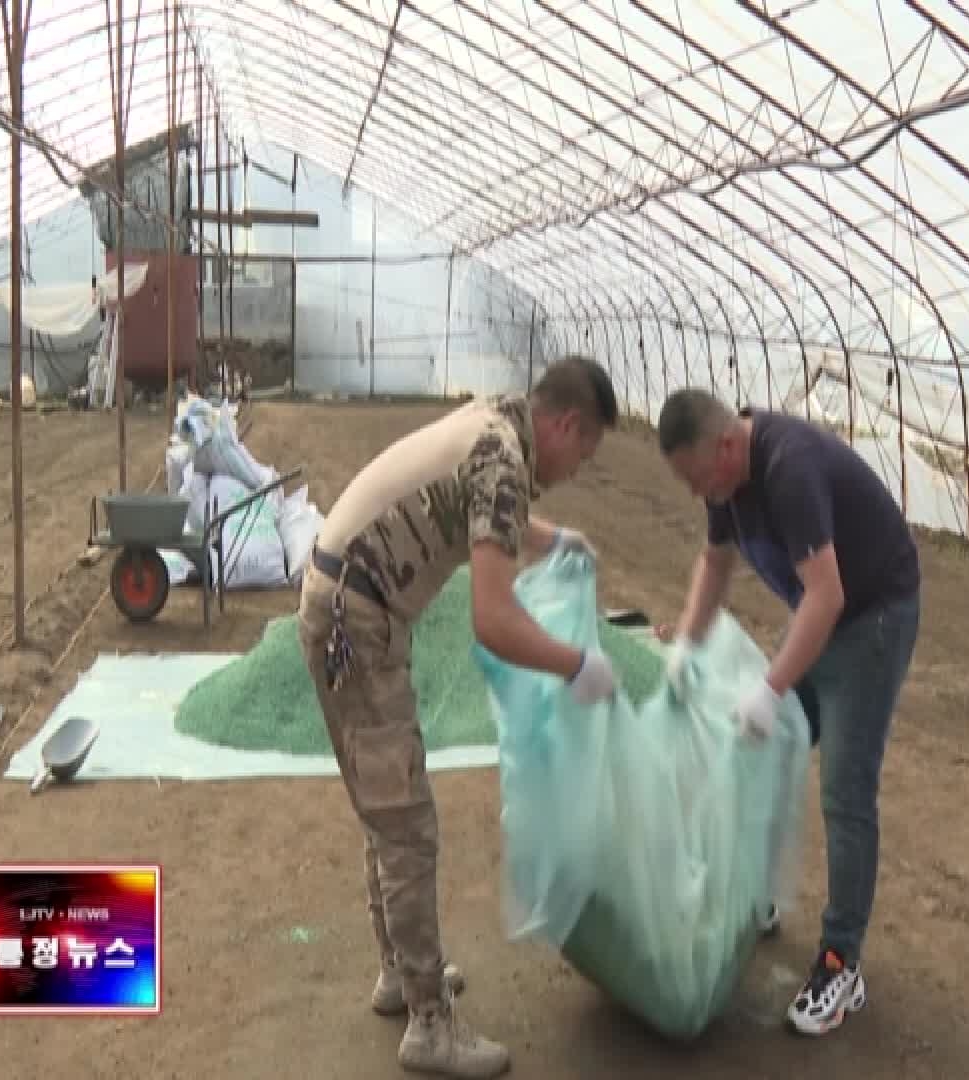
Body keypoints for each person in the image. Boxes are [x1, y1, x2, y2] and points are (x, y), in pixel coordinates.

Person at [296, 356, 621, 1078]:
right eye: (585, 450)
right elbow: (493, 620)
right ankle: (429, 1026)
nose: (576, 468)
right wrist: (575, 665)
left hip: (341, 600)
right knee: (407, 826)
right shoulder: (504, 455)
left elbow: (484, 513)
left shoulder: (499, 419)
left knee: (388, 816)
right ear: (564, 424)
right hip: (357, 621)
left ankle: (401, 976)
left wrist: (551, 540)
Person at [654, 387, 920, 1038]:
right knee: (761, 750)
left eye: (696, 478)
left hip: (872, 618)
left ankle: (841, 964)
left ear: (725, 446)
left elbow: (826, 595)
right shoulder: (726, 483)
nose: (697, 494)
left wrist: (771, 689)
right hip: (826, 613)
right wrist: (687, 644)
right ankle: (757, 892)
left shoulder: (788, 469)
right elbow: (714, 565)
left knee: (845, 792)